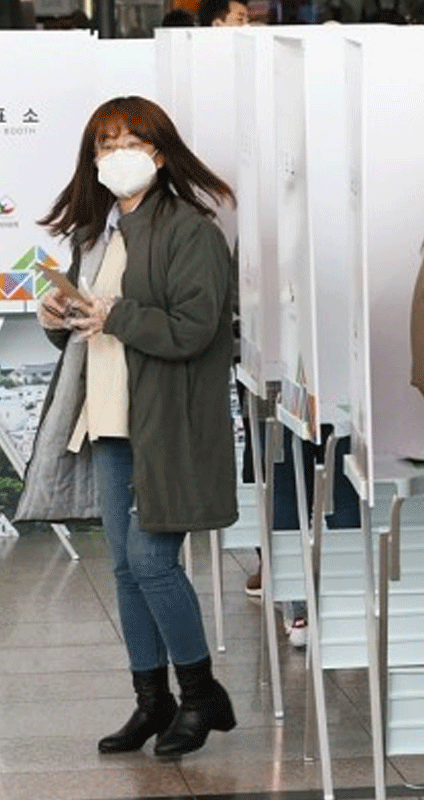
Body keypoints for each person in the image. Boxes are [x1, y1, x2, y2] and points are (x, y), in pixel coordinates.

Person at [18, 96, 238, 758]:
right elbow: (96, 331)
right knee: (123, 567)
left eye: (132, 141)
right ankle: (152, 701)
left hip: (166, 421)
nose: (118, 154)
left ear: (161, 153)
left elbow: (197, 331)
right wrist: (63, 319)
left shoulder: (190, 230)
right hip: (108, 419)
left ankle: (202, 697)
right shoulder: (100, 232)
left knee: (151, 561)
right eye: (105, 143)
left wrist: (118, 316)